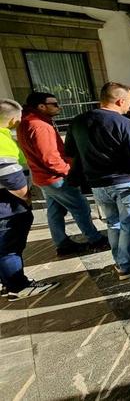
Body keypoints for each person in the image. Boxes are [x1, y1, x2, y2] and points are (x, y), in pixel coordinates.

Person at [66, 82, 130, 280]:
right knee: (129, 224)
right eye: (129, 102)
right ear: (120, 100)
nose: (129, 107)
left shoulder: (78, 121)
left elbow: (70, 151)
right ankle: (127, 265)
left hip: (98, 184)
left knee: (112, 223)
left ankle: (120, 260)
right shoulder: (125, 124)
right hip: (126, 183)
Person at [17, 92, 109, 256]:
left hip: (43, 177)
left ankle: (62, 243)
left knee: (55, 211)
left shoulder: (27, 122)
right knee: (80, 207)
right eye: (55, 104)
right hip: (55, 177)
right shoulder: (39, 126)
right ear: (41, 106)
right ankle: (96, 240)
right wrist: (69, 173)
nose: (59, 106)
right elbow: (50, 158)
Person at [0, 99, 59, 300]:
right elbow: (11, 178)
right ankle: (17, 286)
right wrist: (26, 198)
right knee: (9, 249)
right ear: (12, 119)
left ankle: (6, 281)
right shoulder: (2, 141)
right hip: (6, 206)